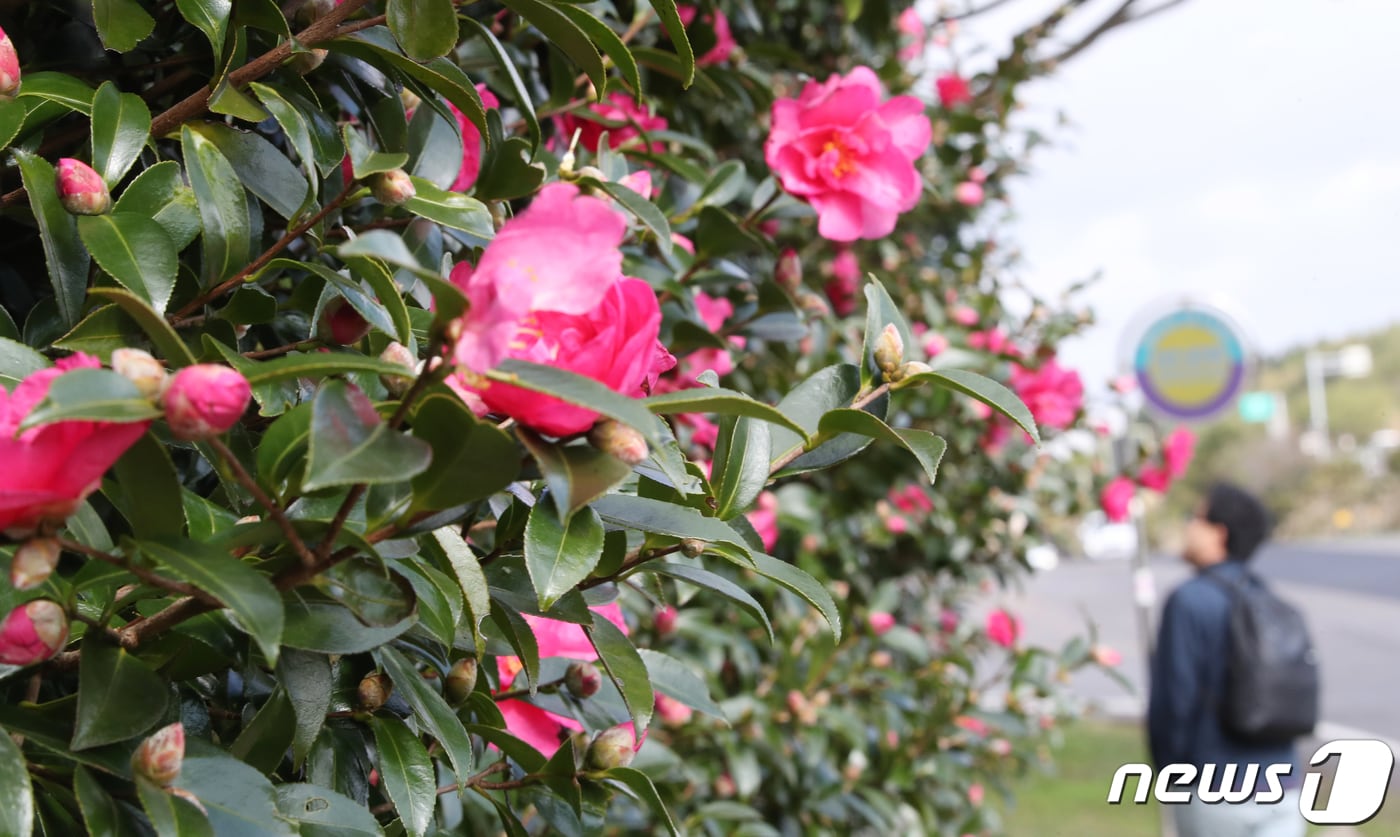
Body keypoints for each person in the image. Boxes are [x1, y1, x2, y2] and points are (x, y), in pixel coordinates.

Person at [1147, 482, 1303, 837]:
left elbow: (1175, 701)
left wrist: (1170, 773)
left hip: (1216, 788)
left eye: (1196, 518)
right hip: (1284, 784)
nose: (1188, 527)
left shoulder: (1190, 600)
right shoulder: (1267, 597)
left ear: (1219, 533)